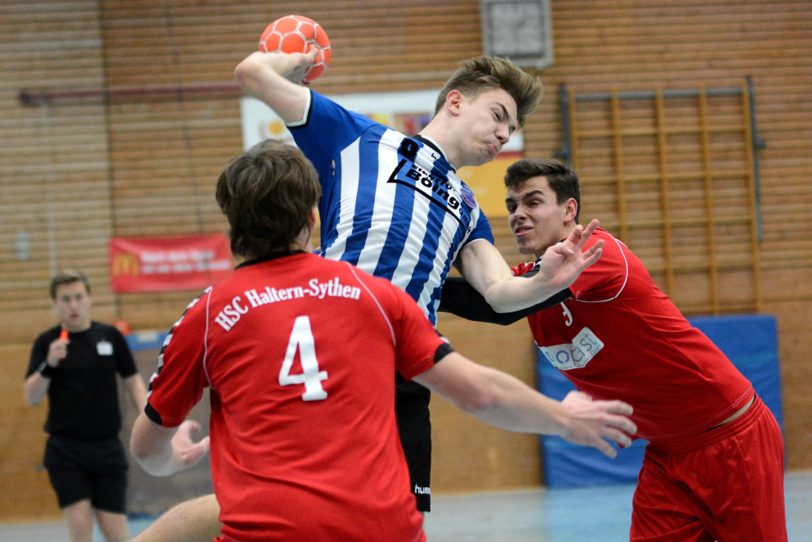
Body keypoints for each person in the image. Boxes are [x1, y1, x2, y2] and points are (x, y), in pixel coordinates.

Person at [128, 139, 636, 542]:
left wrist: (175, 455)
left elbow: (147, 451)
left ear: (232, 226)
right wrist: (564, 419)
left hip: (269, 527)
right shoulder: (374, 295)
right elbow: (478, 392)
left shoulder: (209, 312)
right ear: (312, 219)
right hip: (383, 530)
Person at [232, 47, 605, 513]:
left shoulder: (469, 209)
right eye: (498, 115)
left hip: (407, 366)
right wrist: (300, 56)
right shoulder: (358, 138)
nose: (504, 133)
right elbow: (254, 73)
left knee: (400, 518)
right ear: (455, 102)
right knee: (295, 511)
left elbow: (498, 293)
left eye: (511, 128)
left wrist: (547, 281)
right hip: (328, 347)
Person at [439, 158, 788, 542]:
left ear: (569, 209)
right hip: (666, 453)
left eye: (532, 202)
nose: (518, 215)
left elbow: (499, 305)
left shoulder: (597, 254)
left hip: (730, 439)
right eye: (511, 206)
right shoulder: (532, 280)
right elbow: (488, 297)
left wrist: (416, 282)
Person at [23, 269, 147, 542]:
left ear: (90, 298)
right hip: (66, 450)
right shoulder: (47, 342)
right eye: (65, 299)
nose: (73, 305)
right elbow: (31, 396)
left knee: (116, 532)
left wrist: (149, 418)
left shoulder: (110, 337)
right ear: (55, 304)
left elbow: (133, 381)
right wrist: (49, 365)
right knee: (80, 526)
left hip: (107, 448)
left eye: (78, 297)